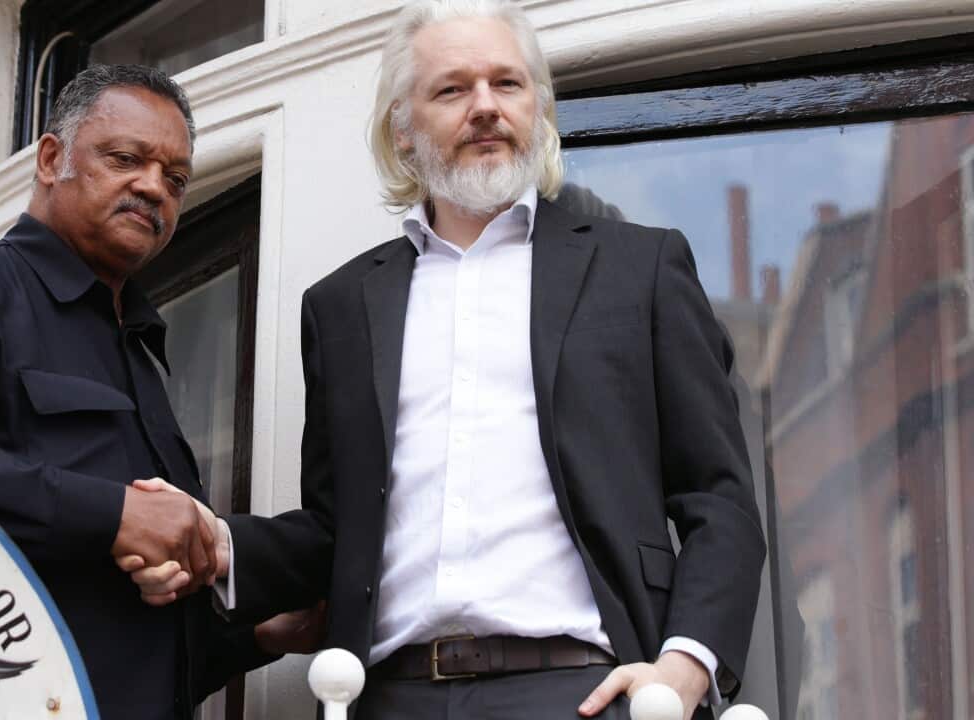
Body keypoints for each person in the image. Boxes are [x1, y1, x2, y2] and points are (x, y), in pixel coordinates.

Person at [125, 2, 766, 719]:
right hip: (389, 695)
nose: (486, 107)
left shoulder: (639, 268)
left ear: (539, 108)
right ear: (404, 130)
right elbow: (337, 529)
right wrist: (220, 545)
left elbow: (719, 499)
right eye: (453, 89)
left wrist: (684, 666)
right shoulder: (340, 307)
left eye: (508, 84)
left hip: (584, 689)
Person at [0, 64, 301, 719]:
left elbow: (127, 644)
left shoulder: (142, 348)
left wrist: (258, 634)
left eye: (175, 178)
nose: (153, 187)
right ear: (52, 159)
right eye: (125, 159)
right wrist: (112, 514)